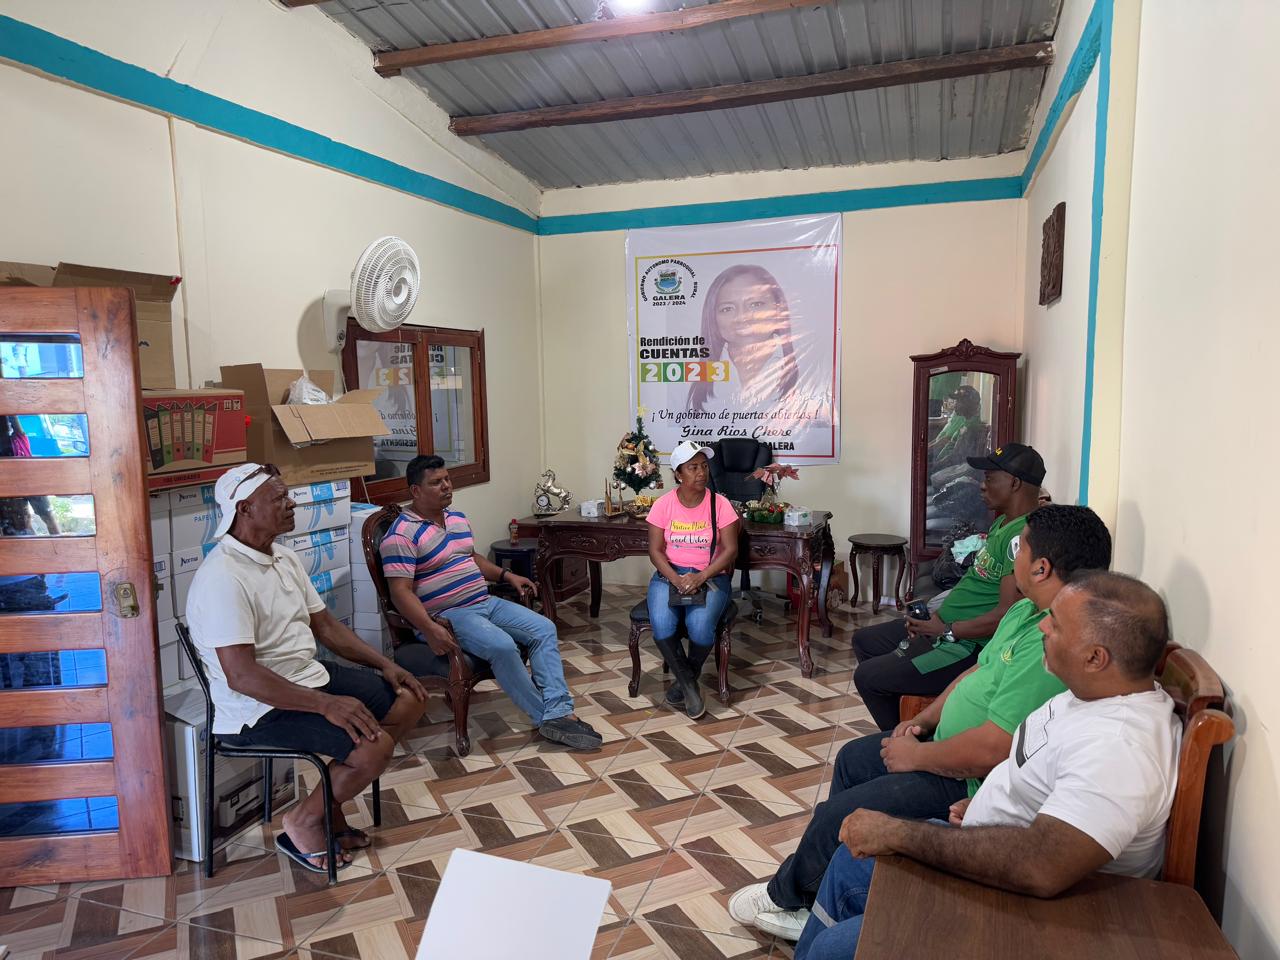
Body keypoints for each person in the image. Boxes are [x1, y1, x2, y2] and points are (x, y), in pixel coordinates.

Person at [731, 504, 1112, 940]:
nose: (1014, 559)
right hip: (943, 746)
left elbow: (993, 749)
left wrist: (916, 757)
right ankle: (827, 888)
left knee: (835, 813)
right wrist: (926, 719)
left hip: (967, 780)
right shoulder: (1025, 612)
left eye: (1019, 550)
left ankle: (788, 898)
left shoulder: (1054, 643)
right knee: (853, 758)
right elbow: (976, 673)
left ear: (1041, 568)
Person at [792, 571, 1180, 958]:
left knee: (832, 949)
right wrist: (987, 804)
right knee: (847, 862)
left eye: (1057, 625)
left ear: (1095, 657)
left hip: (1030, 906)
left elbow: (1041, 866)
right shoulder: (1090, 695)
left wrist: (898, 833)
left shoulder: (1119, 747)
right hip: (996, 846)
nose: (1043, 626)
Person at [186, 462, 430, 873]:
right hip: (255, 708)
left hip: (305, 677)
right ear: (244, 509)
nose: (291, 503)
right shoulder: (223, 578)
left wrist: (386, 664)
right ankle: (303, 821)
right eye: (278, 497)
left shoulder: (282, 557)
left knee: (409, 698)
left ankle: (327, 805)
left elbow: (328, 628)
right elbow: (241, 677)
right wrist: (326, 705)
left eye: (288, 495)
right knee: (373, 748)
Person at [382, 455, 602, 751]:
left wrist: (506, 575)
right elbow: (400, 592)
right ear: (415, 491)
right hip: (447, 615)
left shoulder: (456, 518)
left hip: (484, 601)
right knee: (502, 646)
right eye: (436, 482)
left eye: (447, 479)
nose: (446, 486)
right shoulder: (401, 535)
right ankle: (546, 717)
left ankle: (557, 709)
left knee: (544, 628)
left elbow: (471, 558)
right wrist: (430, 629)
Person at [853, 443, 1046, 730]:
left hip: (965, 645)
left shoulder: (1021, 537)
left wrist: (946, 629)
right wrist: (933, 616)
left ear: (1015, 483)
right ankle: (910, 719)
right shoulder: (1003, 523)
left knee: (869, 678)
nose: (982, 486)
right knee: (865, 641)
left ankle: (908, 738)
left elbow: (1007, 614)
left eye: (990, 478)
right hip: (944, 625)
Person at [644, 440, 740, 719]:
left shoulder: (720, 504)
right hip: (669, 574)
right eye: (693, 467)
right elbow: (655, 551)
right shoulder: (663, 505)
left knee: (700, 627)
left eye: (704, 466)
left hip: (711, 576)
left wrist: (701, 576)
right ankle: (689, 685)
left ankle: (683, 682)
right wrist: (675, 578)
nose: (701, 472)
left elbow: (731, 550)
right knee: (662, 624)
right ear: (678, 474)